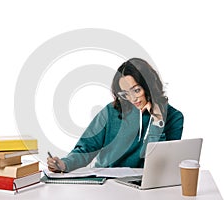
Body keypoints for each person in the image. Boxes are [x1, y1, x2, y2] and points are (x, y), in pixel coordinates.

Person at [47, 58, 184, 173]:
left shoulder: (174, 117)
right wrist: (64, 165)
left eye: (136, 90)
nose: (132, 98)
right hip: (107, 183)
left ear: (149, 85)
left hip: (144, 185)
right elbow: (86, 148)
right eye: (125, 94)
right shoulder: (110, 112)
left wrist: (157, 121)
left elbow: (158, 165)